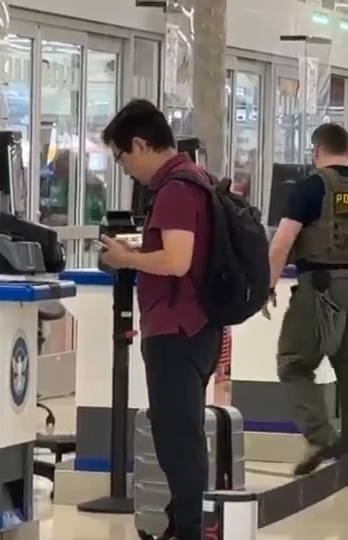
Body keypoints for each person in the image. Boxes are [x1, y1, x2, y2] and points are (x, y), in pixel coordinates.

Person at [96, 99, 221, 540]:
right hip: (197, 327)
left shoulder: (175, 188)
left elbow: (176, 259)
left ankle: (188, 529)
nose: (125, 168)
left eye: (122, 157)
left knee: (178, 438)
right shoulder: (198, 178)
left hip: (177, 329)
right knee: (179, 433)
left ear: (140, 144)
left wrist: (125, 256)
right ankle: (178, 522)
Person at [266, 123, 348, 475]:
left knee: (294, 363)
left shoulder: (312, 185)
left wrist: (267, 286)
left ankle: (321, 435)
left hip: (321, 287)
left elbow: (283, 242)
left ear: (317, 150)